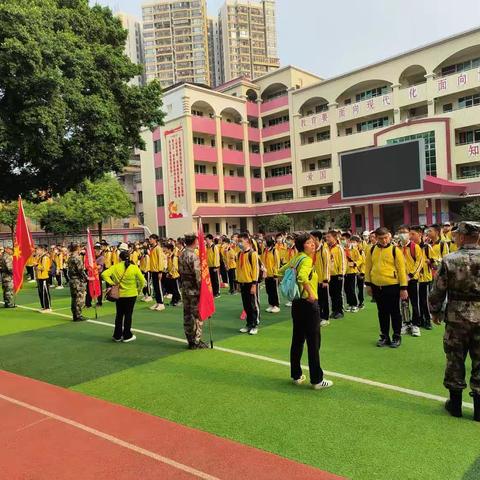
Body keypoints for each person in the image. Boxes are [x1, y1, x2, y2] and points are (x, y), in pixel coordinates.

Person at [428, 221, 480, 421]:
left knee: (455, 359)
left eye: (457, 234)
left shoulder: (450, 259)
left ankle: (455, 405)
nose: (455, 237)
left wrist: (435, 311)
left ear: (463, 237)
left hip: (457, 315)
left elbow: (438, 289)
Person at [278, 233, 333, 390]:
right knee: (313, 342)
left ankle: (296, 375)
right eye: (309, 243)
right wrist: (311, 294)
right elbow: (302, 277)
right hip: (308, 304)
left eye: (313, 242)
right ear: (303, 245)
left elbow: (281, 271)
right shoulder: (307, 260)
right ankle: (317, 379)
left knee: (297, 340)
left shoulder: (296, 258)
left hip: (297, 304)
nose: (313, 245)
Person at [365, 227, 408, 348]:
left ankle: (396, 336)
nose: (384, 240)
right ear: (376, 238)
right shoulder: (372, 250)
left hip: (392, 285)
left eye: (385, 238)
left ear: (389, 236)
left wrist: (403, 288)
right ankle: (384, 336)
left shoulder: (395, 250)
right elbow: (368, 267)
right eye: (380, 238)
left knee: (395, 312)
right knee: (382, 312)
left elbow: (401, 270)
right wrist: (368, 285)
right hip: (377, 286)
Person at [102, 250, 145, 343]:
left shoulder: (115, 267)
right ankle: (127, 335)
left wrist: (113, 283)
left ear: (119, 258)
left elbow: (104, 274)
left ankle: (117, 335)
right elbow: (142, 281)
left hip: (119, 294)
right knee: (128, 315)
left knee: (119, 315)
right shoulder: (134, 267)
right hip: (131, 293)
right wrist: (139, 289)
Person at [178, 234, 209, 349]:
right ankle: (196, 341)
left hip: (185, 289)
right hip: (194, 290)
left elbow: (180, 272)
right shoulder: (193, 256)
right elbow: (198, 276)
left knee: (187, 315)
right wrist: (203, 290)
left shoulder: (181, 255)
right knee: (197, 316)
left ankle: (190, 339)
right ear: (195, 242)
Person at [398, 225, 424, 337]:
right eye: (400, 232)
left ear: (409, 234)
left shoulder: (415, 247)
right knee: (404, 303)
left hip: (412, 280)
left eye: (405, 232)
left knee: (414, 303)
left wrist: (411, 274)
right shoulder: (396, 247)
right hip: (401, 280)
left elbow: (419, 262)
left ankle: (416, 325)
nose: (402, 234)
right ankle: (406, 323)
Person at [237, 233, 260, 335]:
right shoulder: (239, 254)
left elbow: (255, 269)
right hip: (242, 283)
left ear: (247, 241)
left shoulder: (252, 254)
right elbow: (239, 269)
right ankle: (249, 324)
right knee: (246, 305)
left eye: (241, 241)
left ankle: (255, 325)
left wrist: (254, 284)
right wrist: (238, 282)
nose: (239, 243)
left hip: (250, 283)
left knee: (252, 305)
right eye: (238, 241)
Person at [311, 231, 330, 326]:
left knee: (324, 300)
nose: (311, 241)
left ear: (317, 239)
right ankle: (318, 317)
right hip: (314, 280)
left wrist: (325, 280)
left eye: (312, 239)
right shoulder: (313, 250)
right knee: (317, 300)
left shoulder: (324, 250)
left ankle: (325, 317)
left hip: (322, 280)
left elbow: (327, 266)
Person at [325, 230, 345, 319]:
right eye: (326, 237)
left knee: (338, 294)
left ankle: (340, 311)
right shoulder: (326, 248)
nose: (327, 238)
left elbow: (343, 261)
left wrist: (341, 273)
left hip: (337, 274)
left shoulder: (339, 248)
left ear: (335, 237)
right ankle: (334, 310)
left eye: (329, 237)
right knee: (332, 294)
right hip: (329, 275)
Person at [67, 243, 87, 322]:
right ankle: (78, 315)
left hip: (72, 279)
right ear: (77, 249)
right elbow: (80, 270)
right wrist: (86, 277)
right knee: (79, 298)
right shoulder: (77, 258)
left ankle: (75, 315)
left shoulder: (70, 257)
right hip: (78, 280)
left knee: (74, 298)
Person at [261, 237, 281, 314]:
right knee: (268, 290)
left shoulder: (274, 251)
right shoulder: (264, 250)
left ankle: (276, 305)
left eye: (265, 241)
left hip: (273, 274)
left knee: (274, 290)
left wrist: (275, 274)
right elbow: (262, 260)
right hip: (266, 274)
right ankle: (271, 304)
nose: (264, 243)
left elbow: (277, 263)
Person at [148, 234, 166, 311]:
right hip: (153, 270)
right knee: (155, 287)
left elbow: (160, 260)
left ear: (155, 239)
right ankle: (158, 302)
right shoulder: (152, 248)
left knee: (159, 287)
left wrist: (160, 271)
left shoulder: (158, 248)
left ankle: (161, 303)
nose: (150, 240)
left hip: (157, 271)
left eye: (151, 239)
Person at [35, 245, 52, 313]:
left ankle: (48, 307)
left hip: (44, 277)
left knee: (45, 292)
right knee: (41, 293)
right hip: (40, 277)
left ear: (42, 250)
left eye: (38, 249)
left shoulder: (45, 257)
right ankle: (43, 306)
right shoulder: (40, 257)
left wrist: (36, 265)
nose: (37, 251)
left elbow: (44, 267)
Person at [0, 244, 15, 308]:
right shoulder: (7, 256)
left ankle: (7, 302)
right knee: (9, 289)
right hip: (8, 275)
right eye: (11, 249)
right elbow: (10, 267)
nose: (12, 251)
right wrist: (14, 273)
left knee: (5, 289)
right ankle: (9, 303)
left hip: (4, 275)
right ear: (7, 249)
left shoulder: (3, 256)